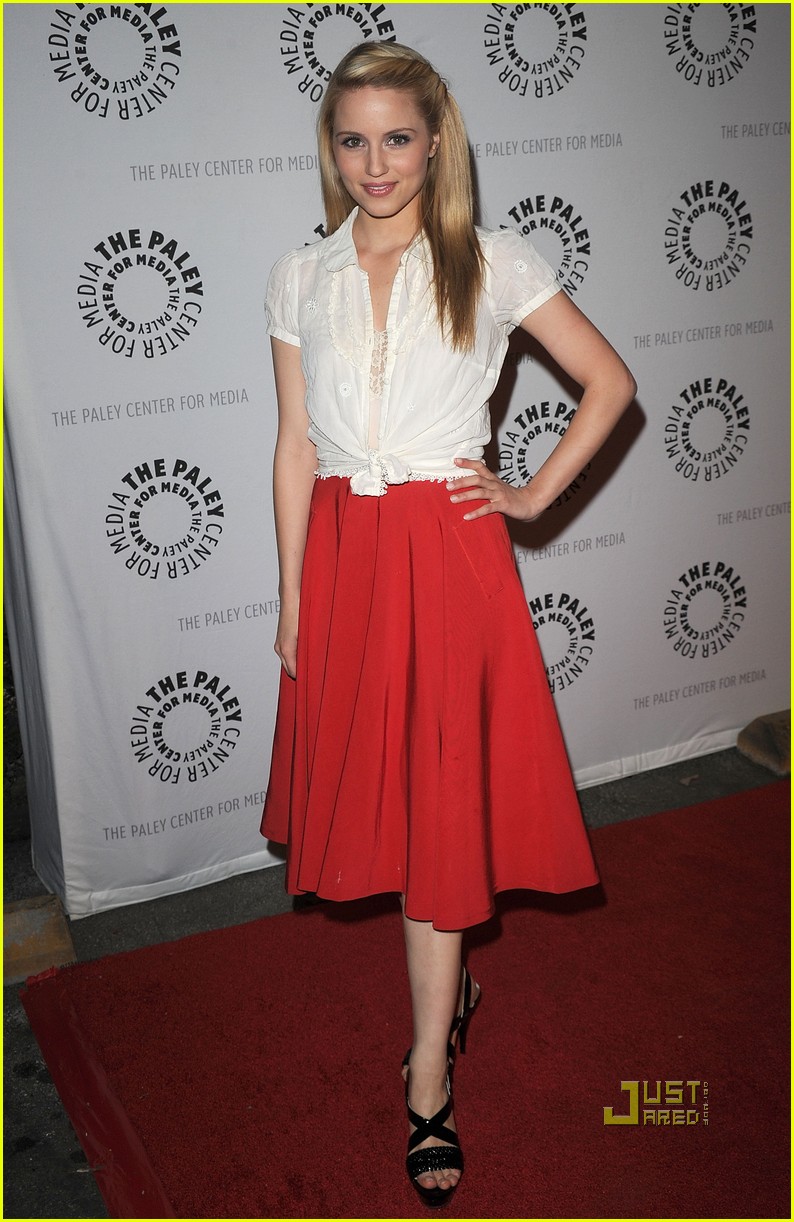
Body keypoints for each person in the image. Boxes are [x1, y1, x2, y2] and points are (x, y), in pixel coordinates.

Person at [260, 40, 636, 1206]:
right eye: (351, 139)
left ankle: (427, 1076)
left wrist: (525, 495)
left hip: (449, 552)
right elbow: (294, 446)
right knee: (383, 807)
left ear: (436, 140)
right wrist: (292, 595)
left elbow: (608, 384)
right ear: (332, 147)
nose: (374, 162)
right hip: (345, 554)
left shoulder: (492, 258)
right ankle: (445, 1003)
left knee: (441, 816)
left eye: (397, 138)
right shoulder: (298, 276)